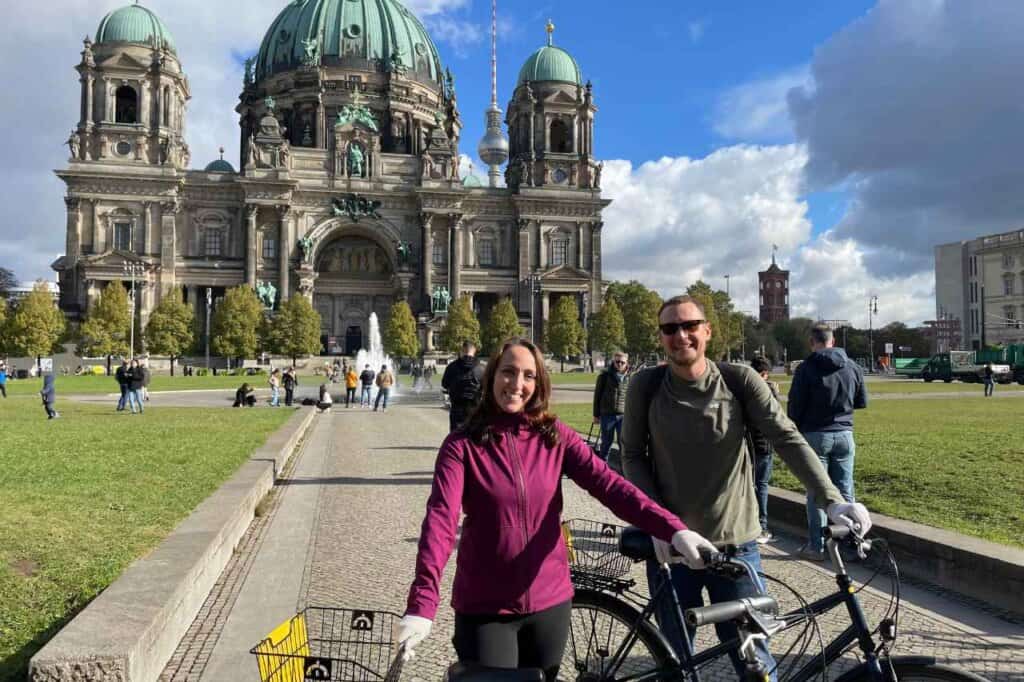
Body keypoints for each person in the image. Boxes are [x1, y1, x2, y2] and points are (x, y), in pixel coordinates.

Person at [397, 338, 701, 680]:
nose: (517, 384)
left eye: (528, 375)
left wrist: (673, 529)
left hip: (550, 602)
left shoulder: (554, 436)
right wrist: (422, 604)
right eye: (508, 372)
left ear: (539, 383)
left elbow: (611, 486)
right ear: (492, 376)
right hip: (486, 607)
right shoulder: (462, 445)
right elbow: (440, 521)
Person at [622, 296, 872, 678]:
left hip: (736, 550)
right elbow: (632, 455)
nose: (681, 335)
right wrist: (659, 522)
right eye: (670, 328)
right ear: (661, 337)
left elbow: (786, 437)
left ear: (707, 331)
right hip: (672, 552)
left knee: (756, 664)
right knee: (675, 663)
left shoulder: (738, 380)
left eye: (690, 326)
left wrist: (833, 501)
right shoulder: (647, 386)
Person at [787, 323, 869, 561]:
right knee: (845, 490)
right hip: (845, 433)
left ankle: (817, 546)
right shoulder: (853, 366)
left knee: (817, 491)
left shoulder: (806, 368)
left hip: (815, 434)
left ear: (813, 342)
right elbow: (861, 401)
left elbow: (796, 405)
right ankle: (852, 542)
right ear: (832, 341)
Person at [748, 356, 781, 544]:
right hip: (764, 445)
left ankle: (749, 524)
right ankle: (762, 525)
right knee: (761, 485)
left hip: (748, 445)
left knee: (749, 485)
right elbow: (776, 417)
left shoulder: (744, 388)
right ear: (765, 373)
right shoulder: (768, 390)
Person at [591, 352, 630, 462]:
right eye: (617, 362)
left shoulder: (631, 377)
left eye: (622, 362)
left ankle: (624, 471)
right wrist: (596, 415)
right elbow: (597, 396)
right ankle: (603, 470)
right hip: (607, 415)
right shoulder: (604, 376)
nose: (619, 364)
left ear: (627, 363)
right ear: (613, 362)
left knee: (624, 444)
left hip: (623, 416)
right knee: (606, 443)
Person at [441, 341, 484, 432]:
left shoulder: (452, 367)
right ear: (474, 351)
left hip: (457, 406)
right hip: (475, 406)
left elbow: (444, 384)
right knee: (474, 434)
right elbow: (487, 387)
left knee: (455, 435)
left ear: (462, 351)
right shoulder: (481, 368)